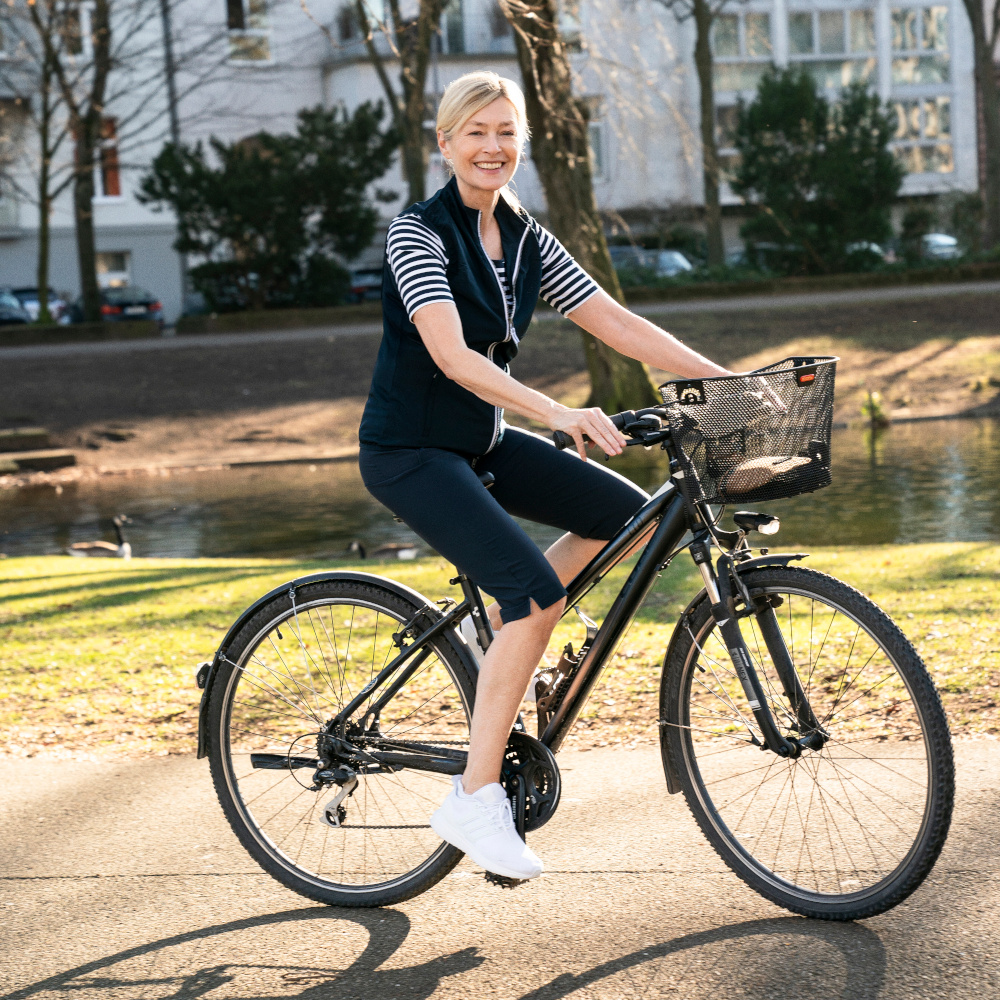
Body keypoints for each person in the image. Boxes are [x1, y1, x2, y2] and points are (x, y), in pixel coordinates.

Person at [358, 70, 732, 882]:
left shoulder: (526, 236)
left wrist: (731, 390)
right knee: (537, 593)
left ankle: (495, 628)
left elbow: (618, 323)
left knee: (622, 517)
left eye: (505, 132)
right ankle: (474, 795)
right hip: (411, 451)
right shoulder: (416, 234)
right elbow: (452, 357)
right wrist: (557, 413)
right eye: (475, 132)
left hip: (479, 443)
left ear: (521, 143)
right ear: (445, 143)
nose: (492, 147)